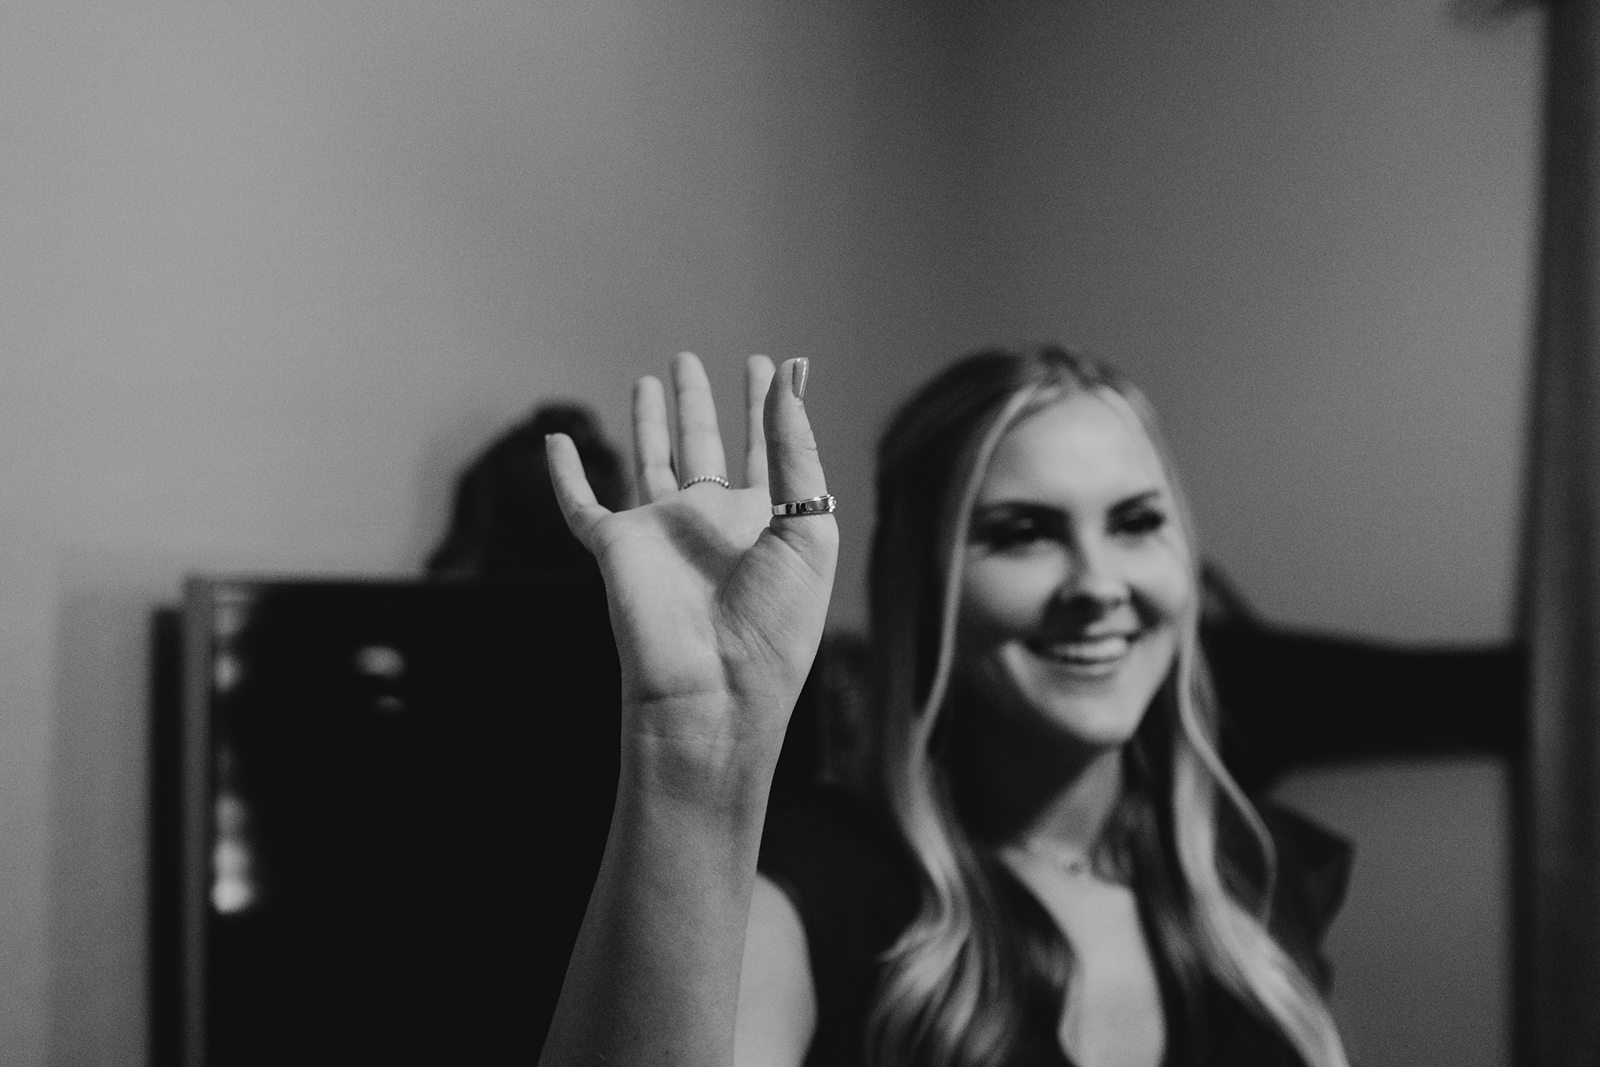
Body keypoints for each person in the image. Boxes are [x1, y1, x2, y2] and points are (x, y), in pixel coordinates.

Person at [538, 347, 1353, 1067]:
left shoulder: (1258, 863)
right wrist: (698, 747)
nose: (1098, 584)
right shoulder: (815, 885)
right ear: (921, 587)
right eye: (1024, 532)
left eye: (1136, 523)